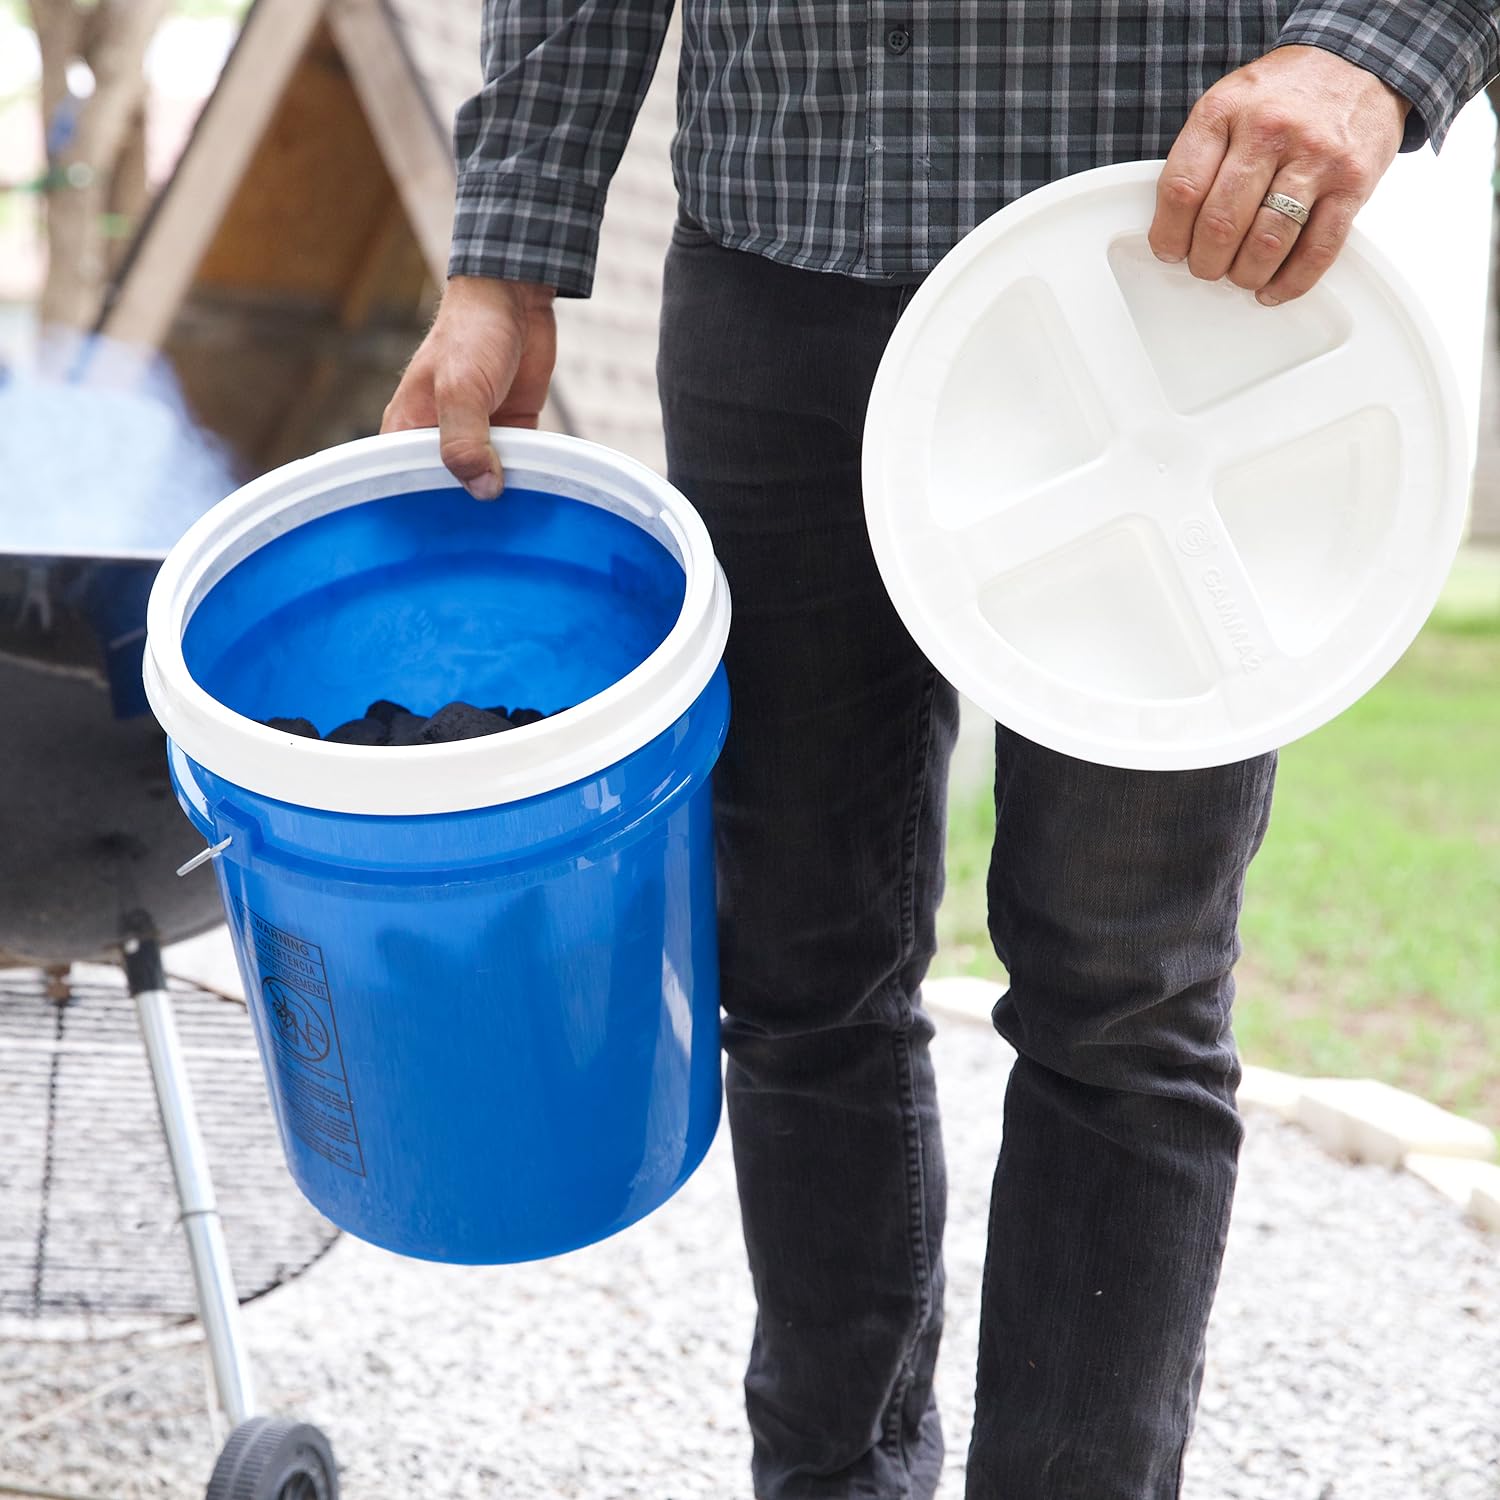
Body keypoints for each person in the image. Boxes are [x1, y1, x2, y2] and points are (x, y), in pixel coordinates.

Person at [383, 6, 1499, 1496]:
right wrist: (502, 250)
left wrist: (1376, 49)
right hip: (786, 243)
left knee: (1125, 992)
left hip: (1178, 272)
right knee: (793, 968)